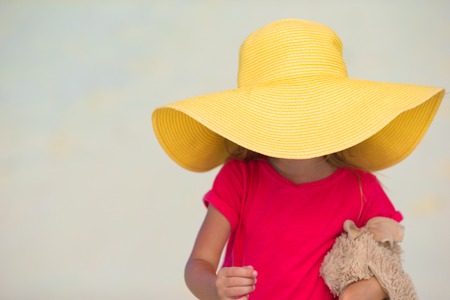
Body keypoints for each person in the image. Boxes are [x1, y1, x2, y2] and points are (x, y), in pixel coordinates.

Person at [152, 19, 445, 299]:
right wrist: (215, 288)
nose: (297, 121)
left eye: (308, 109)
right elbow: (198, 264)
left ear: (338, 116)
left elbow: (389, 269)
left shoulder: (361, 188)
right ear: (252, 121)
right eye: (283, 110)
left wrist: (371, 288)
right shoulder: (239, 178)